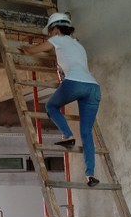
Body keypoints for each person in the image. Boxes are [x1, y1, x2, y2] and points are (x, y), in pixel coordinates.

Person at [20, 13, 102, 187]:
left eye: (49, 33)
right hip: (93, 88)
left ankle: (67, 135)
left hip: (75, 83)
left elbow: (33, 51)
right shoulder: (77, 44)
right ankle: (90, 175)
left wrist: (22, 48)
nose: (49, 37)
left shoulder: (58, 39)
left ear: (56, 29)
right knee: (86, 133)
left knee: (51, 106)